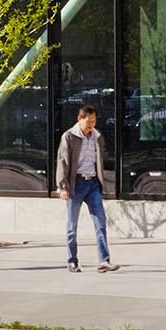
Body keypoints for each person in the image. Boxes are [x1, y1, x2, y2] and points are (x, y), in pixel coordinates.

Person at [55, 106, 118, 273]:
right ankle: (72, 261)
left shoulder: (97, 137)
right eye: (89, 121)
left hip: (93, 185)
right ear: (79, 119)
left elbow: (99, 161)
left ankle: (104, 261)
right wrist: (62, 186)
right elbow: (62, 162)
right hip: (75, 184)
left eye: (94, 121)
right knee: (71, 225)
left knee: (101, 223)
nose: (92, 124)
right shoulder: (69, 136)